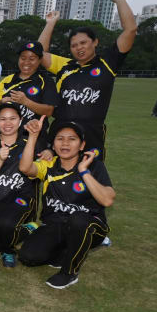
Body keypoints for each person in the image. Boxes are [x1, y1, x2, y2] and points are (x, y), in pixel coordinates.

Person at [37, 0, 137, 159]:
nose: (79, 48)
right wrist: (50, 23)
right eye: (74, 45)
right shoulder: (65, 66)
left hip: (91, 136)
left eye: (83, 43)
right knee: (55, 181)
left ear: (95, 42)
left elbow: (130, 30)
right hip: (60, 134)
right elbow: (39, 52)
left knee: (88, 181)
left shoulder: (107, 63)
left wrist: (120, 0)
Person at [18, 118, 115, 289]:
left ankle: (69, 272)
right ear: (53, 145)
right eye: (60, 138)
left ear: (82, 145)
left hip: (89, 226)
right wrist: (33, 136)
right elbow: (25, 168)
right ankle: (65, 251)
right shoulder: (49, 164)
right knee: (28, 256)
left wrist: (84, 171)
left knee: (78, 220)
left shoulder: (94, 166)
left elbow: (107, 199)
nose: (65, 143)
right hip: (57, 224)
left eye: (72, 139)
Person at [0, 103, 39, 268]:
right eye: (2, 119)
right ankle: (26, 230)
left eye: (12, 118)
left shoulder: (29, 142)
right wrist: (0, 159)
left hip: (20, 197)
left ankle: (10, 250)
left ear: (20, 120)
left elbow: (40, 167)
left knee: (6, 225)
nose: (7, 123)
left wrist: (48, 153)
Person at [0, 41, 58, 138]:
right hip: (5, 141)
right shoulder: (7, 80)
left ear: (40, 60)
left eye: (32, 59)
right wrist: (1, 102)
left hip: (34, 140)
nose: (26, 62)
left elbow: (49, 111)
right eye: (23, 58)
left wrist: (25, 101)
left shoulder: (46, 81)